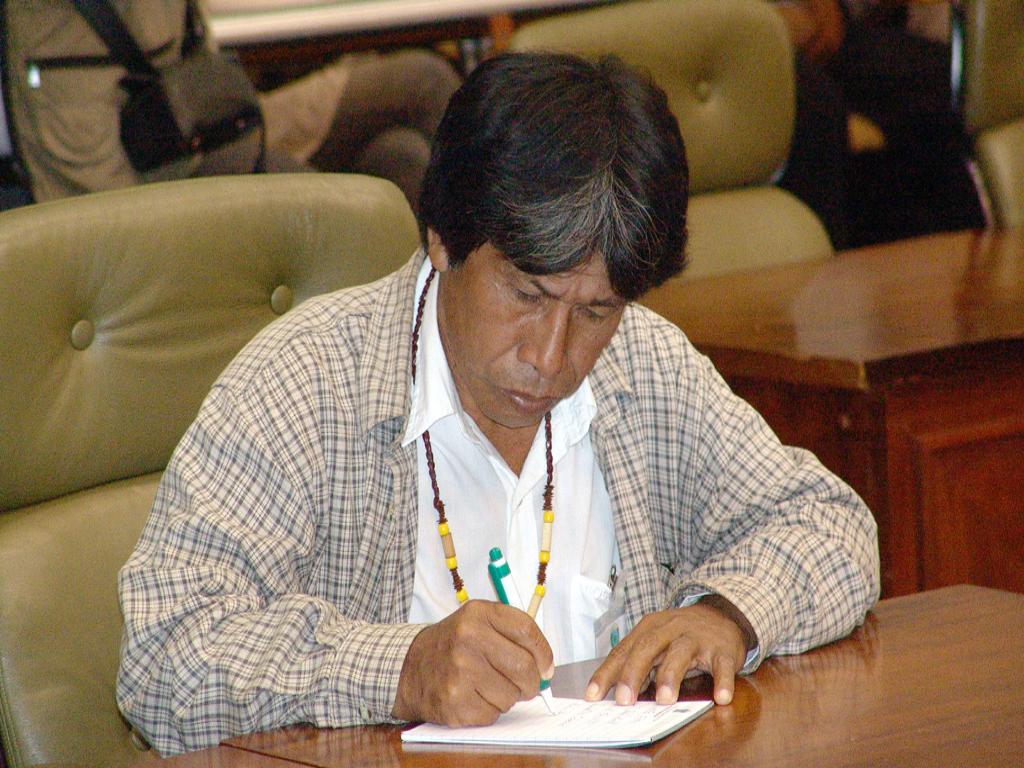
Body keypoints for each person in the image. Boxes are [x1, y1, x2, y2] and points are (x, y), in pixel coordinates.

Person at [116, 52, 880, 756]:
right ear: (442, 239)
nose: (551, 357)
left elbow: (829, 525)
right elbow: (162, 660)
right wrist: (399, 669)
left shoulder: (643, 366)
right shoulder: (304, 387)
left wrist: (726, 613)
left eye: (595, 311)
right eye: (526, 295)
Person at [0, 0, 460, 213]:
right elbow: (106, 214)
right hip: (150, 174)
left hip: (208, 119)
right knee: (356, 205)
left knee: (422, 92)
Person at [773, 0, 985, 246]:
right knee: (820, 113)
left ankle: (973, 249)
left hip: (827, 38)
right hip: (765, 50)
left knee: (952, 81)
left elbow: (829, 31)